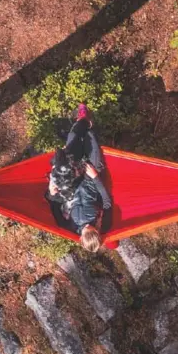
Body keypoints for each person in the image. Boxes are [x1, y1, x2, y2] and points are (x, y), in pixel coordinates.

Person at [45, 104, 112, 252]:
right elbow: (107, 202)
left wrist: (52, 190)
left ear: (80, 238)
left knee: (75, 136)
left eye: (86, 230)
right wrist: (95, 177)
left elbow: (53, 204)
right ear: (97, 232)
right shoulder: (101, 222)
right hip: (90, 176)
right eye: (92, 229)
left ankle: (81, 121)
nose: (88, 226)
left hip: (71, 178)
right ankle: (85, 122)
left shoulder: (69, 226)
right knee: (90, 136)